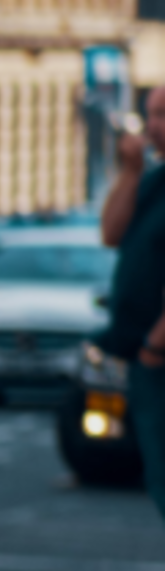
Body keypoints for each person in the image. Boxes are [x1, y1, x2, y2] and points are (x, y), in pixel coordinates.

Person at [101, 83, 165, 523]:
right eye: (149, 116)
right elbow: (111, 233)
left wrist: (155, 347)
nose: (153, 128)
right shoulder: (155, 180)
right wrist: (130, 170)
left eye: (162, 115)